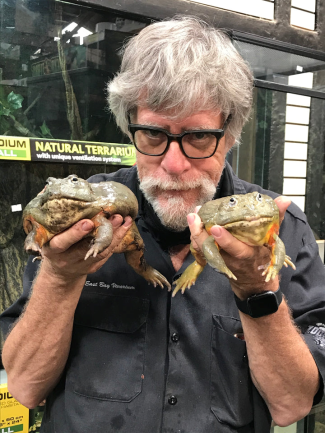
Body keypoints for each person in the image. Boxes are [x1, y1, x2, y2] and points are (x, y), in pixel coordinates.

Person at [1, 16, 325, 433]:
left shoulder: (279, 226)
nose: (173, 164)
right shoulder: (81, 215)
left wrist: (257, 292)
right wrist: (61, 278)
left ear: (229, 134)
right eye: (153, 135)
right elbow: (26, 388)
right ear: (129, 124)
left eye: (198, 137)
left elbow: (292, 405)